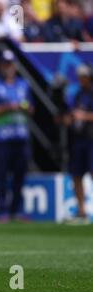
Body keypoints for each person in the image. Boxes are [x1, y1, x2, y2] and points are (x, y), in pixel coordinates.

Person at [0, 50, 33, 223]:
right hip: (1, 137)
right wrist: (8, 107)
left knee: (20, 175)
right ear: (0, 66)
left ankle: (17, 209)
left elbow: (31, 109)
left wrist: (24, 107)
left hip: (21, 136)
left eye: (10, 64)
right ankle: (3, 210)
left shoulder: (23, 84)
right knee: (2, 175)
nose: (8, 68)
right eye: (5, 64)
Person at [62, 64, 93, 225]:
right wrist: (70, 119)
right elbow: (73, 113)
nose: (81, 79)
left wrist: (84, 116)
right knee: (76, 175)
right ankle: (81, 212)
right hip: (78, 139)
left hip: (91, 139)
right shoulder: (79, 94)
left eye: (84, 76)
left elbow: (83, 114)